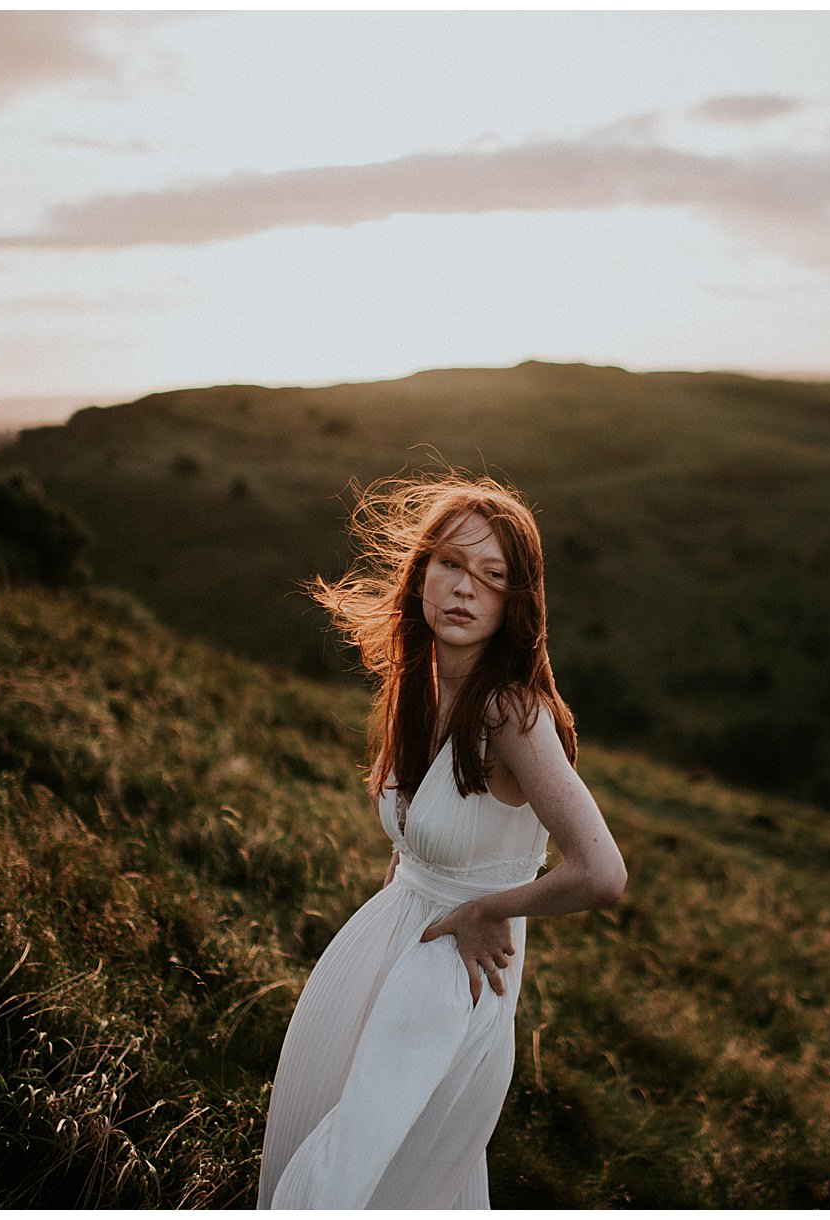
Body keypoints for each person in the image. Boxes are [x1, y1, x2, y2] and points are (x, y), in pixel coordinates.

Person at [256, 472, 627, 1209]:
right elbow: (417, 844)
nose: (464, 589)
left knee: (356, 1180)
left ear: (517, 602)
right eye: (451, 563)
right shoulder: (420, 683)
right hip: (386, 953)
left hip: (452, 978)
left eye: (492, 576)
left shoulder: (512, 714)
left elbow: (602, 872)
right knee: (334, 1154)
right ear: (421, 570)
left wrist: (491, 909)